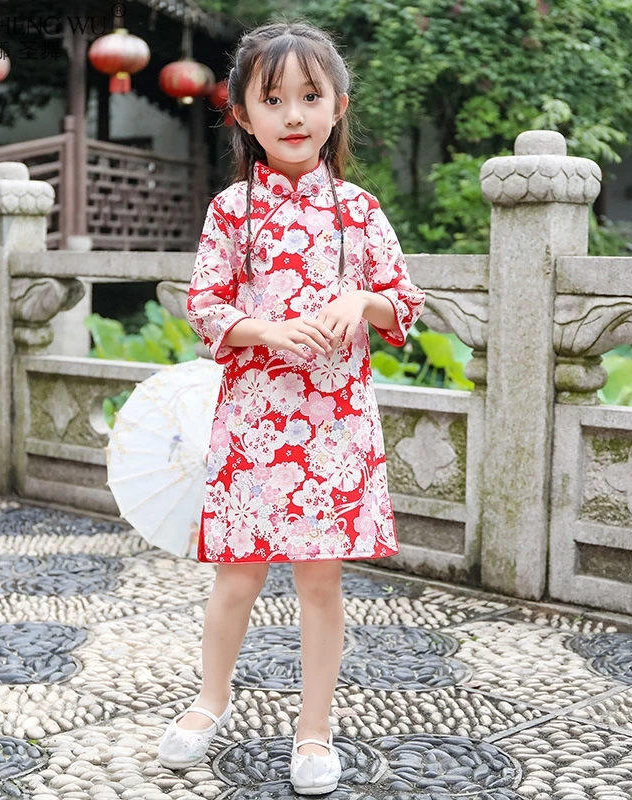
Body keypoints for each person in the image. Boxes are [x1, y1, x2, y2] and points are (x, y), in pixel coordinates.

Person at [157, 20, 425, 795]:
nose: (294, 114)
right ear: (243, 115)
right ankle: (210, 700)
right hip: (253, 420)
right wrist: (267, 328)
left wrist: (361, 301)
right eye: (272, 99)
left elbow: (404, 303)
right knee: (236, 576)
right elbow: (205, 305)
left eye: (311, 96)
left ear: (338, 106)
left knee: (318, 582)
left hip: (333, 425)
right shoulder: (233, 210)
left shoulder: (361, 211)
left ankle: (314, 729)